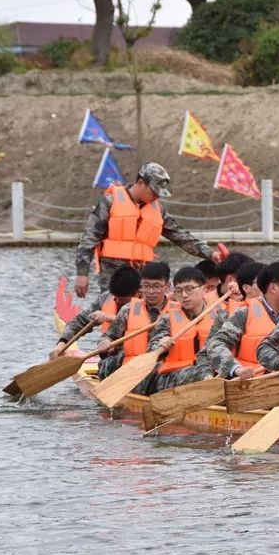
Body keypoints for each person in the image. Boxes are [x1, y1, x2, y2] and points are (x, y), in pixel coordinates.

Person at [73, 162, 223, 297]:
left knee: (142, 315)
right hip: (113, 275)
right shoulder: (108, 202)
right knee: (111, 311)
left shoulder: (158, 210)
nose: (156, 197)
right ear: (140, 183)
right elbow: (88, 239)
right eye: (154, 192)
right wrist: (82, 274)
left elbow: (180, 235)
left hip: (144, 278)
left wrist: (210, 254)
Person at [204, 262, 279, 380]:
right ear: (273, 287)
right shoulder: (244, 313)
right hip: (251, 381)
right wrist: (236, 369)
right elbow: (216, 344)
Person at [94, 262, 175, 393]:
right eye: (146, 286)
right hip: (129, 367)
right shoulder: (128, 310)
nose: (151, 291)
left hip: (161, 369)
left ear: (167, 287)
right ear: (141, 286)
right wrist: (105, 343)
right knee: (109, 363)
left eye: (156, 286)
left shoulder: (178, 311)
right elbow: (109, 335)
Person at [147, 267, 224, 392]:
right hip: (172, 376)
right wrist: (161, 345)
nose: (184, 295)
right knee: (200, 373)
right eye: (179, 290)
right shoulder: (167, 319)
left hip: (210, 373)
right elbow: (152, 348)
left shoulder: (220, 317)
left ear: (204, 289)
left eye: (189, 289)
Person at [51, 266, 141, 359]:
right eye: (116, 298)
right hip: (111, 357)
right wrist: (62, 343)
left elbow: (140, 324)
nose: (118, 301)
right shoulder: (106, 298)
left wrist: (109, 317)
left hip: (138, 357)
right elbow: (79, 322)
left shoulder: (142, 303)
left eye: (123, 300)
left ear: (138, 293)